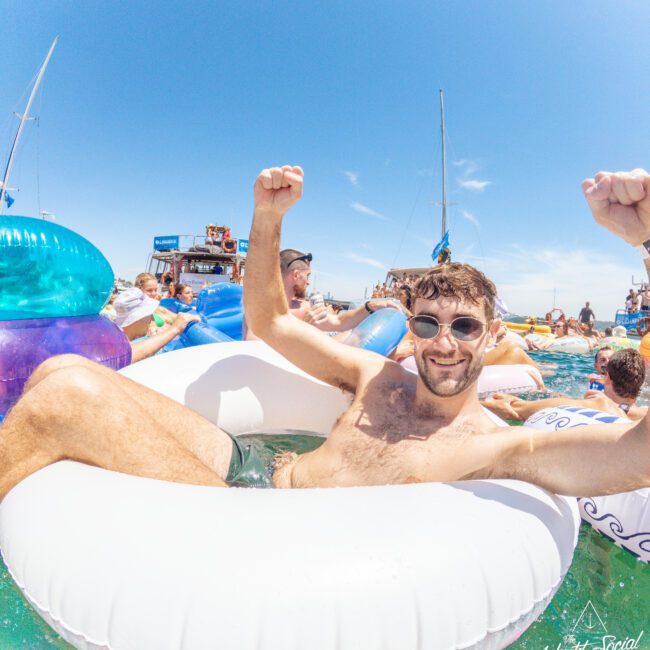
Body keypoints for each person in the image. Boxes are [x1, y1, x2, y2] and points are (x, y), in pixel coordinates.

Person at [0, 166, 649, 501]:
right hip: (252, 475)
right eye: (427, 323)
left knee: (68, 398)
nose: (443, 342)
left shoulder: (501, 446)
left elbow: (636, 456)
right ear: (412, 326)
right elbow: (272, 321)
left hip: (266, 533)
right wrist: (267, 217)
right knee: (58, 372)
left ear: (493, 333)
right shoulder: (376, 377)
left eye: (464, 326)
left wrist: (647, 242)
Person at [243, 249, 403, 340]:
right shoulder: (261, 306)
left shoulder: (304, 307)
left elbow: (339, 321)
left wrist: (370, 307)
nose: (308, 282)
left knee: (349, 336)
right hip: (270, 380)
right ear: (296, 275)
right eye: (307, 276)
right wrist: (303, 328)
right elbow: (254, 344)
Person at [483, 348, 647, 422]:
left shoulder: (598, 404)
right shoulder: (643, 413)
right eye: (602, 360)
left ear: (608, 378)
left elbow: (514, 409)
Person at [114, 288, 200, 363]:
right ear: (139, 318)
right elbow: (128, 356)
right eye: (149, 314)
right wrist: (175, 329)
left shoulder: (118, 337)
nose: (152, 318)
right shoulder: (124, 350)